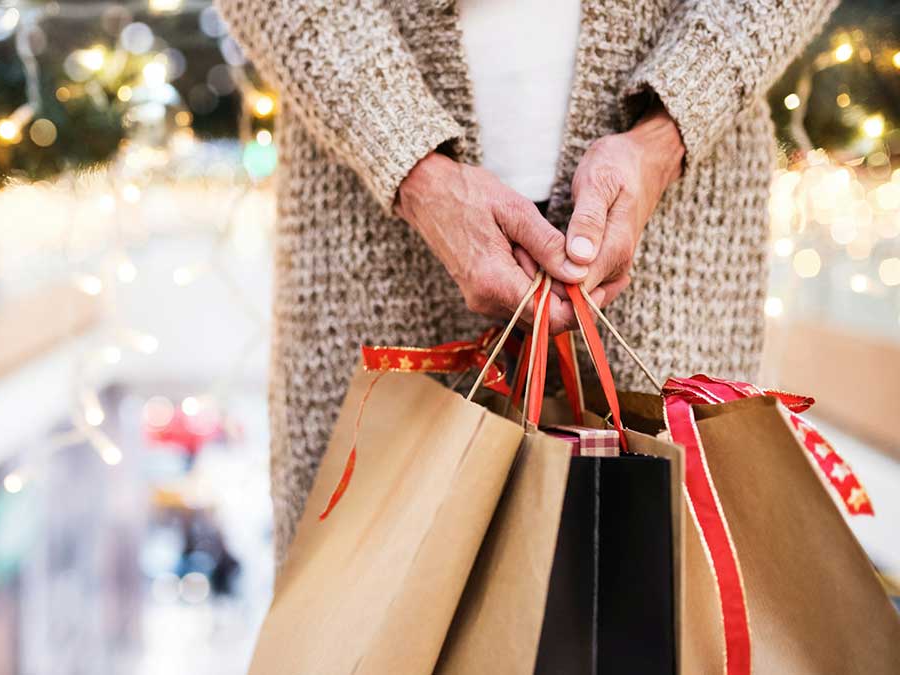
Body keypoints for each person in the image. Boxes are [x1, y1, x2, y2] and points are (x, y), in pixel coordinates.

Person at [214, 0, 838, 562]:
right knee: (363, 605)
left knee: (653, 599)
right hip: (369, 224)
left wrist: (668, 132)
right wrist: (408, 161)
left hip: (675, 221)